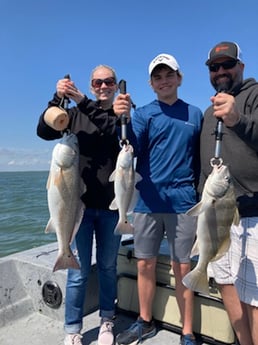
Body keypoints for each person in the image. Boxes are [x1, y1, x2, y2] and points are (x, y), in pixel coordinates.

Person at [113, 53, 203, 345]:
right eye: (157, 77)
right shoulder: (143, 115)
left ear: (179, 78)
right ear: (151, 84)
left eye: (169, 75)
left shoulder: (195, 114)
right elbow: (130, 148)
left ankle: (187, 331)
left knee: (184, 268)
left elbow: (201, 161)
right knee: (144, 265)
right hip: (146, 203)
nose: (164, 81)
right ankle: (145, 321)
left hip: (183, 203)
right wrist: (120, 120)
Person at [37, 65, 126, 345]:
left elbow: (109, 128)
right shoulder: (72, 116)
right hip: (79, 209)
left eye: (108, 81)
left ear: (114, 85)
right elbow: (43, 130)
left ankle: (107, 320)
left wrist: (81, 101)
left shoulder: (120, 115)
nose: (103, 86)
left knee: (108, 267)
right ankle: (72, 329)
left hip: (112, 208)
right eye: (97, 82)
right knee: (78, 272)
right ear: (90, 85)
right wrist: (57, 98)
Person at [200, 41, 258, 345]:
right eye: (214, 67)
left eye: (227, 65)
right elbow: (204, 165)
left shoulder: (255, 95)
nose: (221, 71)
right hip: (216, 214)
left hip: (253, 214)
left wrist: (238, 120)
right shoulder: (209, 112)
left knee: (254, 298)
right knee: (226, 283)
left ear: (241, 67)